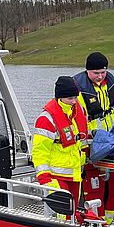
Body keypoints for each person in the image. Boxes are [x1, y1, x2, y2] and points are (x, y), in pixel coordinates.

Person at [74, 52, 114, 223]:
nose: (99, 76)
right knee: (94, 186)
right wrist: (84, 147)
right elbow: (78, 118)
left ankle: (110, 221)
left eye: (103, 72)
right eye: (95, 73)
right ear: (87, 71)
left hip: (113, 142)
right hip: (92, 144)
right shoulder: (79, 90)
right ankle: (97, 221)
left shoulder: (113, 85)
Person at [32, 76, 88, 214]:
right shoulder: (46, 119)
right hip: (56, 176)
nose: (74, 101)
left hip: (75, 173)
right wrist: (44, 178)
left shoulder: (77, 111)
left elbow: (81, 141)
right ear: (59, 97)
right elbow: (39, 151)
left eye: (75, 97)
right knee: (63, 214)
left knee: (73, 212)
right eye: (70, 98)